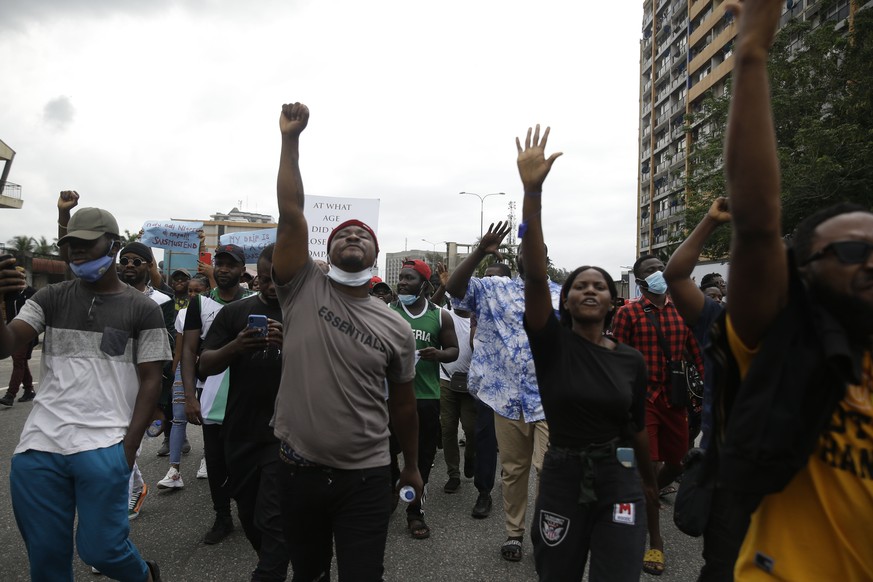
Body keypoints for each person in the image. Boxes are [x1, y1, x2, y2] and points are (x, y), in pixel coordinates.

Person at [715, 1, 873, 578]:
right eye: (853, 252)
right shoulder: (778, 341)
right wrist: (751, 54)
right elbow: (757, 223)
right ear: (801, 273)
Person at [272, 101, 422, 581]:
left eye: (362, 234)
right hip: (297, 470)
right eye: (342, 234)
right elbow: (291, 211)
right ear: (326, 249)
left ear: (376, 254)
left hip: (367, 476)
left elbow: (403, 406)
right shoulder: (300, 286)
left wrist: (413, 466)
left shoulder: (396, 325)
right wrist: (290, 140)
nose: (352, 235)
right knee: (308, 573)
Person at [516, 123, 657, 581]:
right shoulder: (552, 343)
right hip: (562, 472)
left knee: (618, 573)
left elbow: (635, 430)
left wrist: (645, 485)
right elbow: (536, 275)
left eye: (600, 285)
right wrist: (532, 192)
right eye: (581, 285)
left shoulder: (629, 360)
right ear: (566, 299)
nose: (591, 290)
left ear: (614, 300)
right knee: (557, 572)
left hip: (619, 473)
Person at [0, 205, 167, 581]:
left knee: (102, 551)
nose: (77, 252)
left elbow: (152, 379)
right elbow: (7, 343)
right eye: (71, 244)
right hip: (40, 446)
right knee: (46, 559)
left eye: (87, 244)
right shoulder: (50, 298)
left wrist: (128, 448)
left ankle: (143, 575)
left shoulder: (143, 309)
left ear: (113, 246)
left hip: (105, 443)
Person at [446, 223, 562, 562]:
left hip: (550, 401)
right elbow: (456, 290)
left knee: (548, 469)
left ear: (546, 258)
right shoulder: (495, 288)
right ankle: (514, 533)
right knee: (513, 471)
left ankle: (546, 532)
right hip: (505, 398)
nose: (532, 255)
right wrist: (480, 252)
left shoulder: (562, 295)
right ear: (519, 258)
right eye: (525, 251)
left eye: (538, 250)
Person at [199, 244, 290, 581]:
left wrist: (288, 345)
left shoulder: (307, 314)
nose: (269, 287)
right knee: (250, 515)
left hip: (285, 432)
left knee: (272, 515)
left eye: (277, 280)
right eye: (263, 279)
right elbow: (203, 365)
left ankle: (268, 574)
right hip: (240, 431)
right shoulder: (235, 313)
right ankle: (271, 561)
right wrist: (236, 346)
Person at [611, 253, 704, 576]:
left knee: (678, 462)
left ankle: (643, 492)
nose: (658, 273)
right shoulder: (629, 314)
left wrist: (708, 392)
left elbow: (697, 355)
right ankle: (654, 540)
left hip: (674, 400)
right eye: (650, 270)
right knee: (649, 470)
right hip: (642, 400)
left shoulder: (683, 310)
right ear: (639, 281)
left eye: (661, 268)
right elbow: (618, 361)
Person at [182, 243, 254, 544]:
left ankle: (253, 515)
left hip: (249, 395)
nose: (224, 269)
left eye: (231, 264)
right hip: (211, 395)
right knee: (215, 461)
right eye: (220, 264)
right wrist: (189, 396)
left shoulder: (254, 301)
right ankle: (222, 517)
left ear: (242, 270)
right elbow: (188, 350)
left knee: (248, 462)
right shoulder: (200, 303)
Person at [390, 259, 458, 539]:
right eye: (402, 277)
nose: (403, 282)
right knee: (384, 453)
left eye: (410, 278)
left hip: (426, 397)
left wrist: (438, 354)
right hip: (389, 398)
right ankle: (391, 488)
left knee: (421, 457)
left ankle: (415, 512)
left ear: (425, 286)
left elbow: (453, 350)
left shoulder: (441, 315)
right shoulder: (387, 312)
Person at [1, 266, 37, 406]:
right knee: (21, 362)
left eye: (20, 275)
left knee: (18, 361)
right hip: (12, 332)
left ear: (24, 277)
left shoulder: (32, 293)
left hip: (27, 333)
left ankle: (10, 394)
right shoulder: (9, 294)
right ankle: (29, 390)